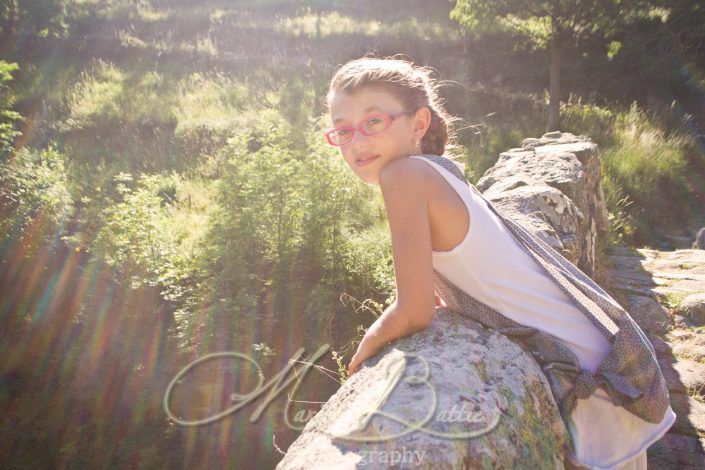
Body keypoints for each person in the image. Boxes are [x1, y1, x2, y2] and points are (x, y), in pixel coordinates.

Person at [323, 55, 676, 470]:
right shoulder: (439, 170)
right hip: (602, 357)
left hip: (587, 378)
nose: (357, 142)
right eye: (343, 131)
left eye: (374, 122)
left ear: (418, 124)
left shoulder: (402, 177)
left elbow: (414, 309)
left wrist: (364, 349)